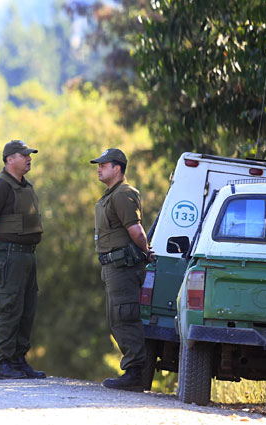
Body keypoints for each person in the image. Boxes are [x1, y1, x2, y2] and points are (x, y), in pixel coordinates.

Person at [0, 140, 45, 380]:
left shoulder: (25, 186)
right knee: (6, 307)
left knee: (27, 308)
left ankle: (18, 360)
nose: (29, 158)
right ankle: (2, 362)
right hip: (8, 254)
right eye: (24, 155)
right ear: (9, 160)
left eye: (30, 155)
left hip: (27, 254)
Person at [90, 148, 153, 392]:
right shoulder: (111, 194)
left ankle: (135, 374)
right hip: (113, 267)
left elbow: (135, 230)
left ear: (117, 168)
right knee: (117, 318)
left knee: (125, 316)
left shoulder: (123, 194)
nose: (99, 169)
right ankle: (133, 371)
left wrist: (146, 251)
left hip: (123, 267)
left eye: (103, 165)